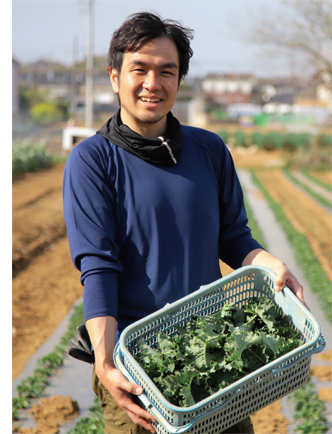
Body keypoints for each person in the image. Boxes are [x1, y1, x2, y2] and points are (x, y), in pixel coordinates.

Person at [63, 12, 307, 434]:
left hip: (211, 349)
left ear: (179, 80)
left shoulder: (209, 150)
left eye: (166, 71)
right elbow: (98, 268)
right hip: (137, 363)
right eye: (139, 69)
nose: (152, 83)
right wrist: (104, 363)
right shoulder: (93, 161)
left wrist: (266, 261)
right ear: (115, 76)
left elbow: (233, 238)